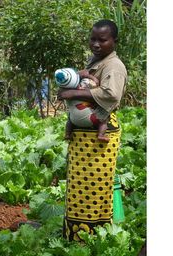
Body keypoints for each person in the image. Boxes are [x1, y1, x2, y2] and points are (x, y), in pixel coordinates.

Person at [58, 19, 127, 242]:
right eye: (93, 39)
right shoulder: (97, 60)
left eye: (102, 40)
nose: (96, 44)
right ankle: (75, 238)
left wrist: (73, 94)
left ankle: (93, 240)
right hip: (85, 135)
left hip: (99, 136)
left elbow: (111, 95)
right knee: (79, 188)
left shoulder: (114, 66)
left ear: (114, 41)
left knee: (95, 189)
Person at [55, 68, 109, 141]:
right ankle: (101, 135)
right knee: (104, 118)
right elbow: (96, 82)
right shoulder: (84, 85)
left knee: (70, 117)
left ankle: (67, 134)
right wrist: (88, 76)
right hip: (89, 119)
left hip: (74, 120)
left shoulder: (63, 92)